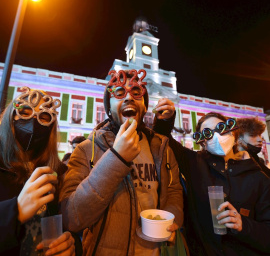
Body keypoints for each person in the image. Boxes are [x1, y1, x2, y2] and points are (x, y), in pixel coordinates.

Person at [60, 70, 185, 256]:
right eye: (119, 93)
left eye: (136, 92)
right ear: (108, 108)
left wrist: (171, 219)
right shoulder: (87, 150)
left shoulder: (162, 149)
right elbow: (72, 217)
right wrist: (117, 157)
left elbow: (174, 193)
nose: (128, 98)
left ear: (144, 106)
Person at [153, 99, 270, 256]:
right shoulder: (194, 163)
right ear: (202, 143)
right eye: (207, 133)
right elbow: (163, 140)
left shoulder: (258, 177)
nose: (217, 136)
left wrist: (244, 225)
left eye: (222, 129)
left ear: (234, 133)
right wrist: (166, 119)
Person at [0, 87, 76, 256]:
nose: (33, 123)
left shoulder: (56, 174)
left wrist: (71, 245)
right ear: (10, 117)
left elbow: (62, 226)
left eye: (43, 117)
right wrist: (16, 210)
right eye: (25, 113)